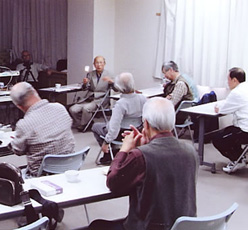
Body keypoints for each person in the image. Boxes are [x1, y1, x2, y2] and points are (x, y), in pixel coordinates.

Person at [89, 97, 198, 230]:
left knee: (96, 226)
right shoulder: (190, 150)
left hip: (150, 227)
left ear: (145, 124)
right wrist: (144, 148)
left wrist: (124, 150)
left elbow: (113, 183)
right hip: (184, 226)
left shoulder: (140, 156)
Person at [8, 82, 75, 178]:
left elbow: (18, 150)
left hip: (41, 176)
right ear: (35, 91)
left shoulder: (24, 125)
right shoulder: (60, 108)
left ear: (19, 106)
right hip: (69, 169)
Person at [91, 72, 147, 165]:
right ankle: (117, 150)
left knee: (96, 126)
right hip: (137, 131)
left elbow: (114, 128)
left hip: (121, 133)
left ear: (119, 87)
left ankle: (108, 155)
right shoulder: (143, 98)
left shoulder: (121, 104)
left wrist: (106, 142)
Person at [212, 67, 248, 173]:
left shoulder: (237, 93)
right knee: (229, 132)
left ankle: (237, 160)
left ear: (234, 80)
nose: (227, 82)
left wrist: (219, 107)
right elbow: (228, 102)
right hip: (244, 127)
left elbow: (223, 109)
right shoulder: (245, 88)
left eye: (228, 79)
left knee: (218, 139)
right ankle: (240, 157)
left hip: (245, 130)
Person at [69, 56, 115, 131]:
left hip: (101, 99)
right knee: (72, 109)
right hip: (89, 98)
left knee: (86, 108)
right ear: (94, 64)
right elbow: (85, 88)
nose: (99, 65)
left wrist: (112, 82)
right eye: (97, 63)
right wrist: (85, 84)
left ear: (104, 64)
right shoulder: (90, 74)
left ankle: (84, 125)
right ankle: (86, 123)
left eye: (101, 62)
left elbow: (116, 89)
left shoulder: (109, 74)